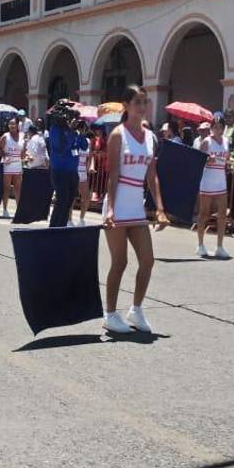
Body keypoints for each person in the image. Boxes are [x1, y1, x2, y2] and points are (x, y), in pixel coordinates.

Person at [101, 85, 168, 334]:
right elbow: (114, 174)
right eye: (138, 102)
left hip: (136, 205)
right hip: (118, 204)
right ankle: (110, 313)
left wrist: (160, 208)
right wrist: (109, 212)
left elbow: (152, 176)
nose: (142, 106)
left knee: (148, 260)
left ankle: (136, 309)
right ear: (126, 105)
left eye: (144, 102)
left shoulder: (150, 136)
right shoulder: (118, 135)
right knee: (119, 262)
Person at [195, 115, 231, 258]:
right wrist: (207, 160)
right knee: (204, 214)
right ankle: (200, 244)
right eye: (215, 127)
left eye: (220, 127)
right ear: (211, 128)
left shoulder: (226, 141)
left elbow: (227, 158)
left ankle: (220, 246)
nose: (218, 129)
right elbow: (198, 160)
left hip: (221, 180)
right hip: (208, 180)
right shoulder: (206, 142)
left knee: (222, 214)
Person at [47, 109, 79, 228]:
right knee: (62, 200)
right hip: (60, 171)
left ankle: (62, 227)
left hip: (72, 171)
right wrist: (70, 131)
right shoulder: (55, 129)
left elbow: (79, 147)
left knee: (69, 201)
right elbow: (60, 149)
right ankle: (54, 228)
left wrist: (80, 134)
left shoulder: (73, 131)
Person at [0, 117, 25, 218]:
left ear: (18, 125)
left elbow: (23, 151)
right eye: (10, 124)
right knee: (6, 188)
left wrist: (25, 154)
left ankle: (18, 211)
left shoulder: (23, 136)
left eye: (13, 124)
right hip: (7, 166)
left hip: (18, 165)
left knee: (18, 189)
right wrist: (4, 156)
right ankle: (5, 210)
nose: (11, 126)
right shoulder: (5, 136)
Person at [73, 117, 93, 226]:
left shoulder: (88, 141)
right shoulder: (74, 139)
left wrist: (90, 167)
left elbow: (90, 156)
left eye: (84, 128)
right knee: (71, 197)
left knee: (86, 197)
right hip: (73, 170)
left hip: (83, 171)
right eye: (80, 127)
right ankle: (69, 219)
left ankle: (81, 218)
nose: (82, 130)